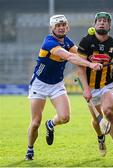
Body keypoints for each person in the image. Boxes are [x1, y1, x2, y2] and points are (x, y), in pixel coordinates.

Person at [25, 14, 102, 161]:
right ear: (52, 28)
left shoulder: (67, 41)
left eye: (63, 25)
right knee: (35, 123)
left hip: (57, 84)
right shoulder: (49, 42)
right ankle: (30, 149)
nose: (61, 28)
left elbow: (80, 54)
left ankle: (50, 124)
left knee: (65, 118)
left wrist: (95, 58)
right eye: (57, 26)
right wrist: (90, 65)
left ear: (67, 27)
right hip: (39, 84)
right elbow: (70, 57)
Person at [77, 12, 113, 162]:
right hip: (90, 86)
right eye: (99, 21)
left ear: (110, 26)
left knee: (108, 112)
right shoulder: (86, 42)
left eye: (105, 21)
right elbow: (80, 69)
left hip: (107, 84)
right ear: (94, 24)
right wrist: (86, 89)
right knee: (96, 119)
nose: (102, 23)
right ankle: (100, 137)